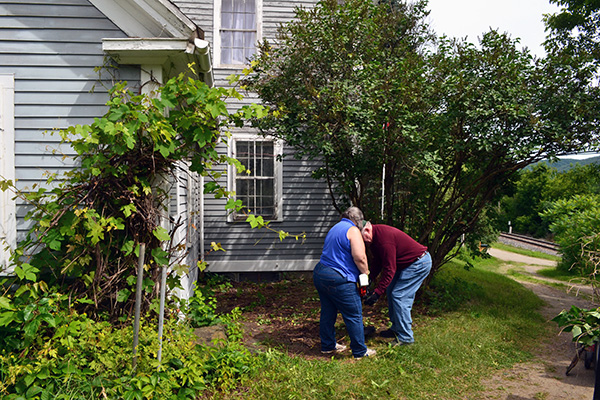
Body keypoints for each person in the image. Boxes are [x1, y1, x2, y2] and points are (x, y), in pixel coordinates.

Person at [313, 207, 376, 358]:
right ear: (358, 220)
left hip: (321, 273)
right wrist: (365, 273)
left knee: (328, 312)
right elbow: (359, 257)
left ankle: (328, 346)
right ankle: (360, 351)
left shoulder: (335, 227)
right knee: (354, 314)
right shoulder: (353, 230)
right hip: (339, 278)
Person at [361, 221, 432, 345]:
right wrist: (370, 279)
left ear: (367, 230)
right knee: (391, 292)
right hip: (406, 265)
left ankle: (406, 337)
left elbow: (390, 269)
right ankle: (396, 329)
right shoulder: (374, 239)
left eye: (362, 238)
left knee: (399, 296)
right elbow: (378, 262)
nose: (363, 242)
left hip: (418, 263)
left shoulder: (384, 240)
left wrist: (377, 293)